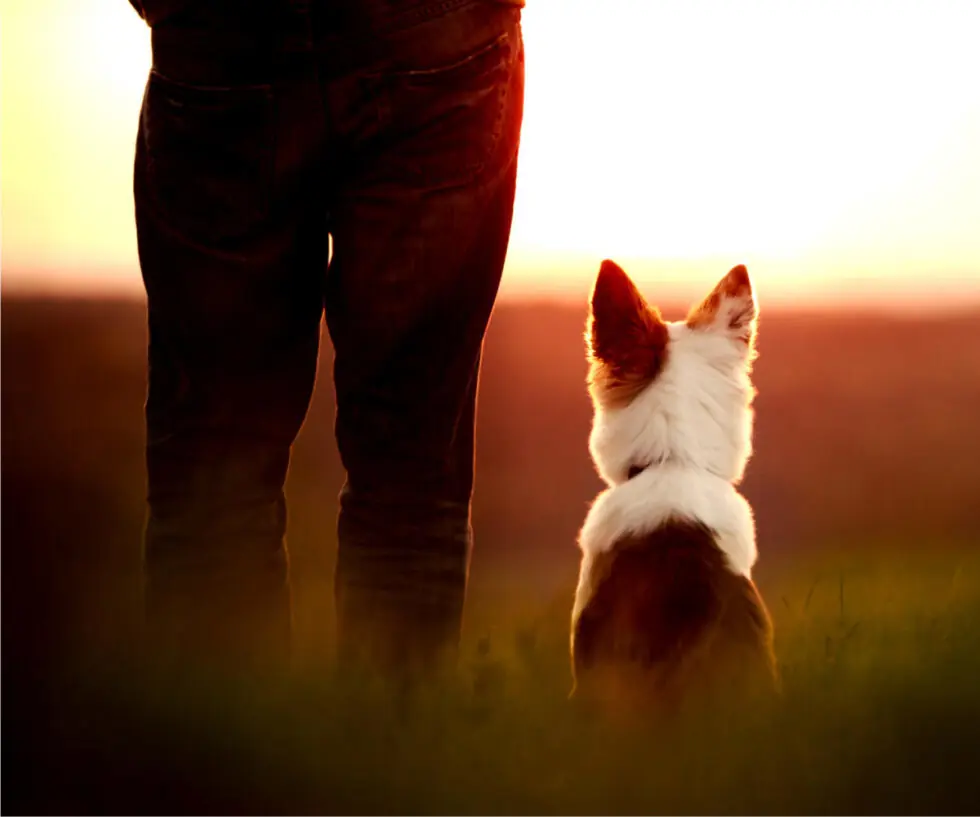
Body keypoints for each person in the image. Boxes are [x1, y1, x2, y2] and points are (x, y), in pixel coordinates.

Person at [129, 0, 525, 679]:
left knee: (213, 487)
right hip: (434, 39)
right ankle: (380, 776)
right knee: (409, 486)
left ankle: (224, 778)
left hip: (225, 42)